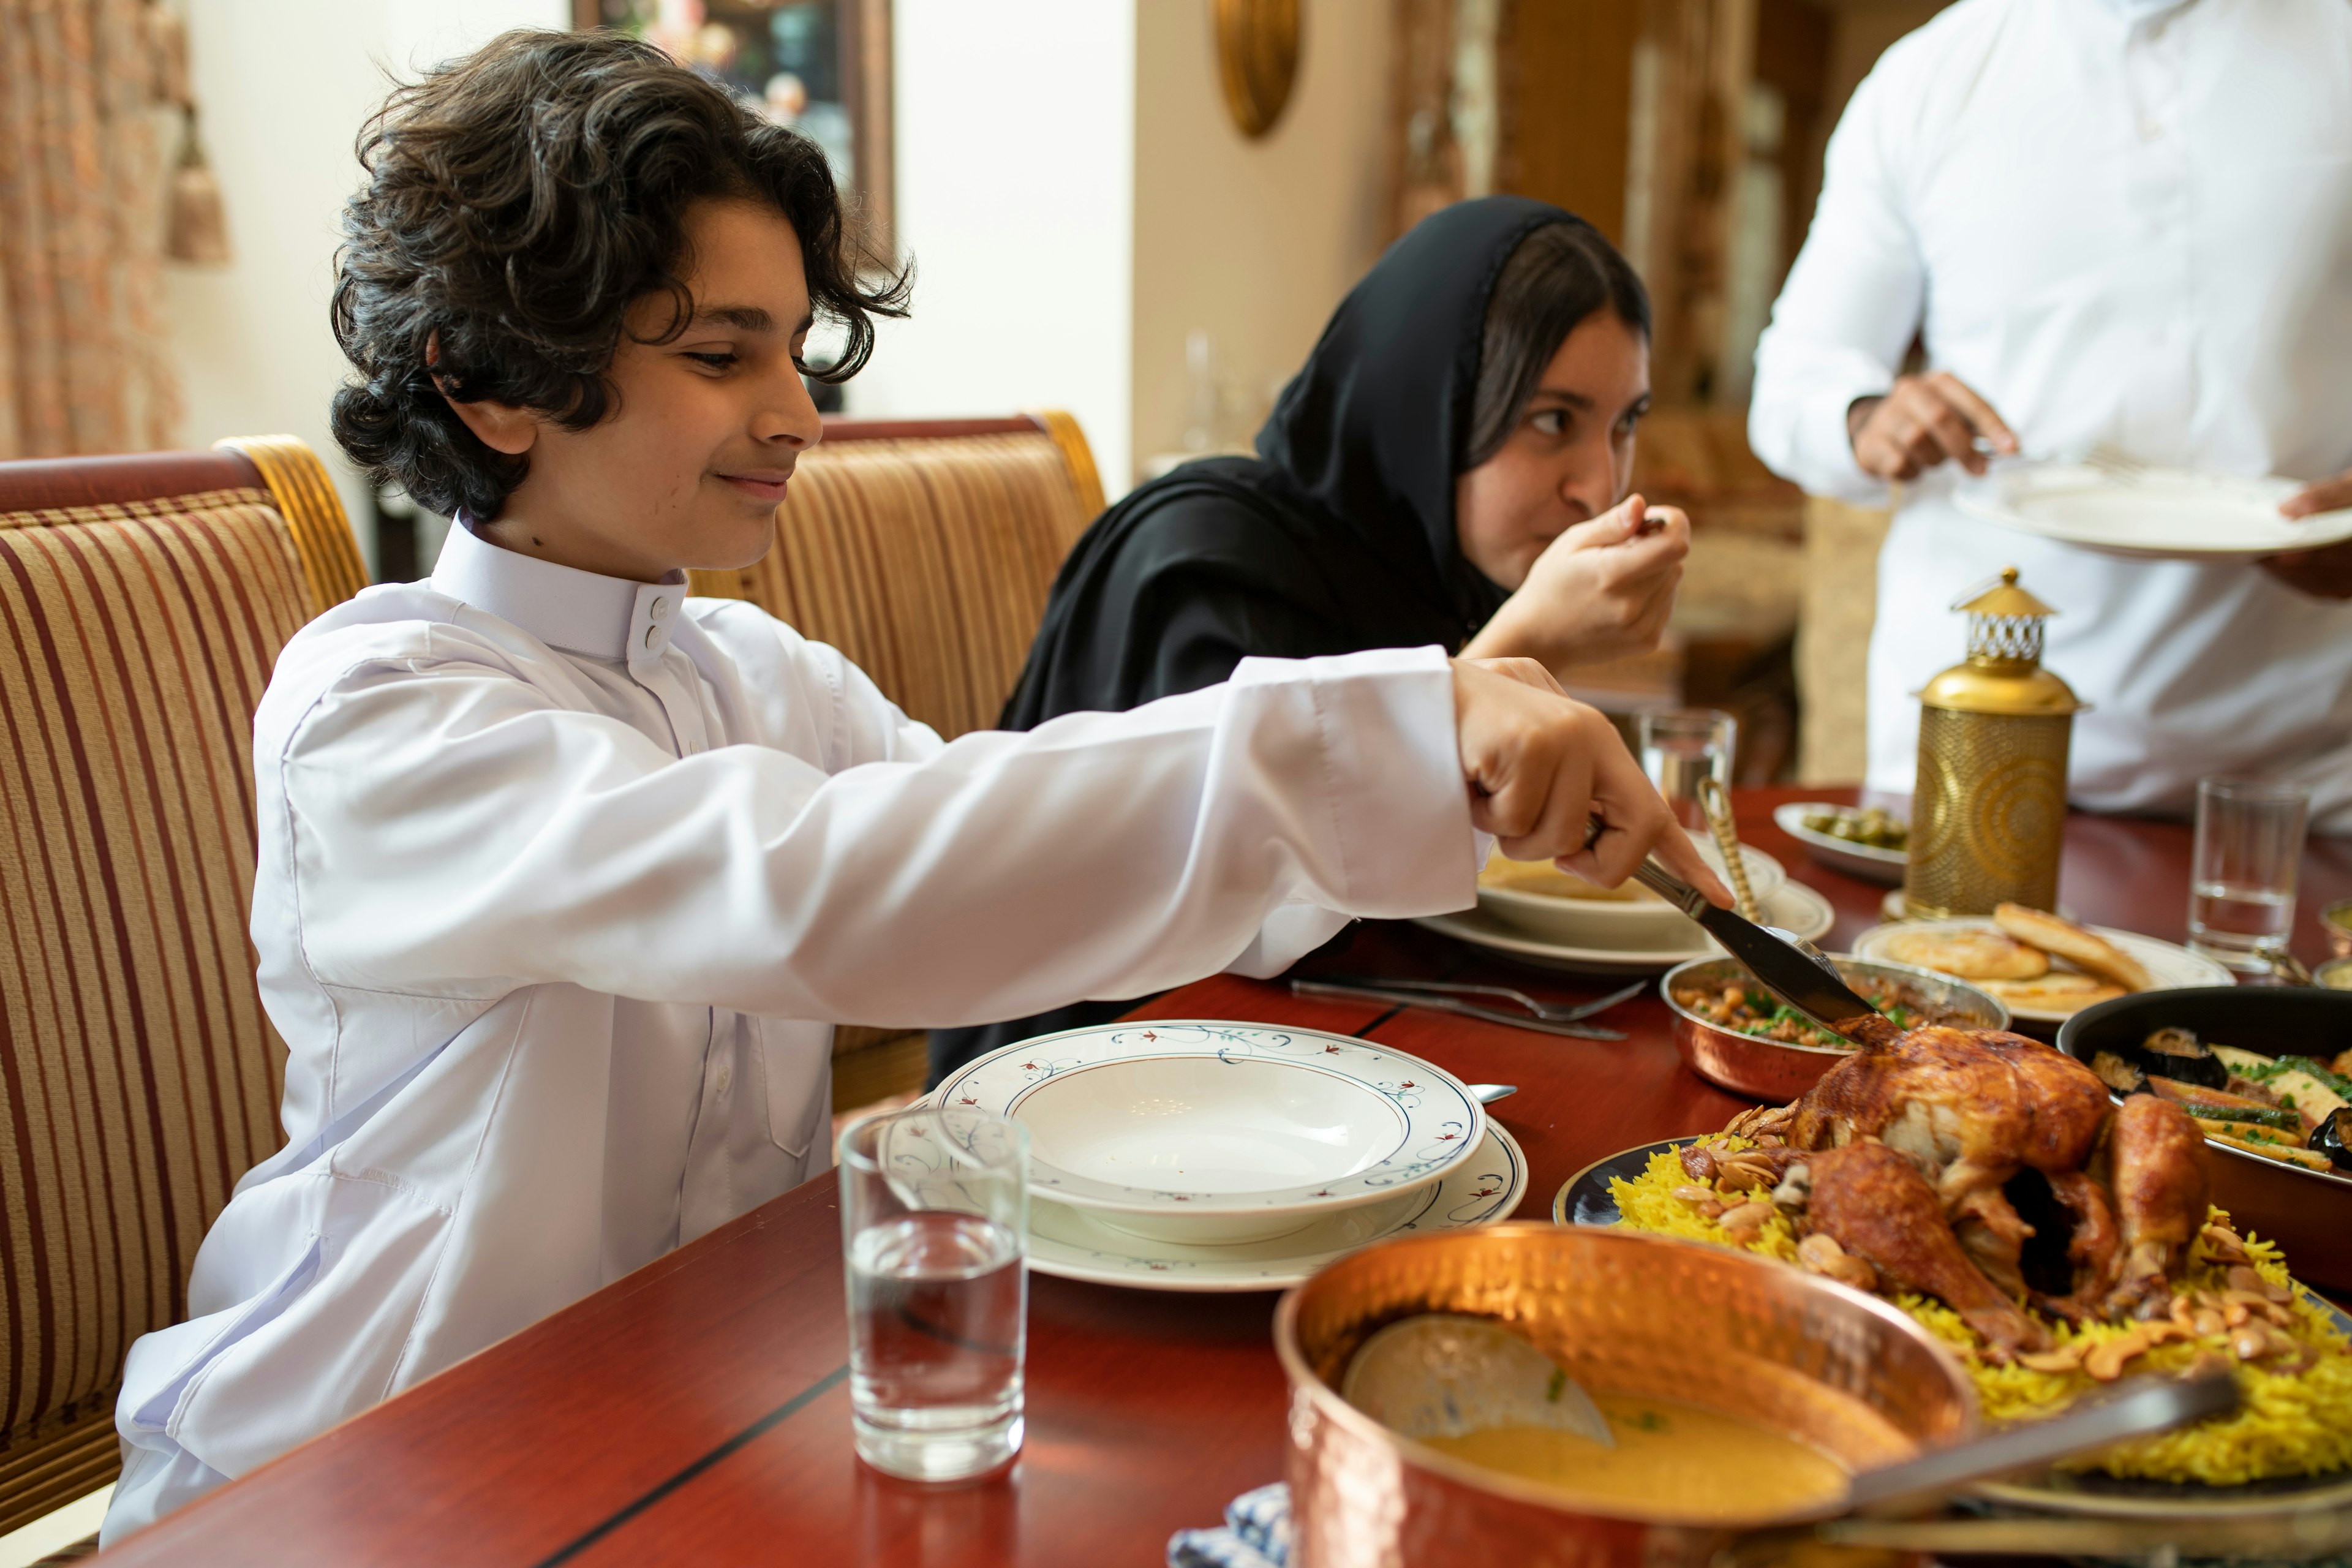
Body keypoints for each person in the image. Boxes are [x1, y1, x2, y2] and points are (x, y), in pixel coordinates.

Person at [102, 34, 1724, 1542]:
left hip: (707, 1396)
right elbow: (824, 885)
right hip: (386, 1460)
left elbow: (992, 842)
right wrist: (1400, 723)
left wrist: (1420, 769)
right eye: (726, 354)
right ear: (490, 378)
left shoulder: (747, 671)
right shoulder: (381, 704)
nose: (801, 414)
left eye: (797, 351)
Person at [931, 197, 1689, 1083]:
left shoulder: (1437, 569)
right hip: (1074, 1097)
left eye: (1624, 424)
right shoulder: (1206, 557)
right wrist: (1523, 647)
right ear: (1426, 400)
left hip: (1311, 1077)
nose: (1598, 483)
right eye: (1553, 421)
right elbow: (1242, 914)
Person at [1749, 0, 2352, 832]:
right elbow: (1794, 381)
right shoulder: (1931, 77)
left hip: (2301, 764)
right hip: (1973, 738)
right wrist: (1867, 417)